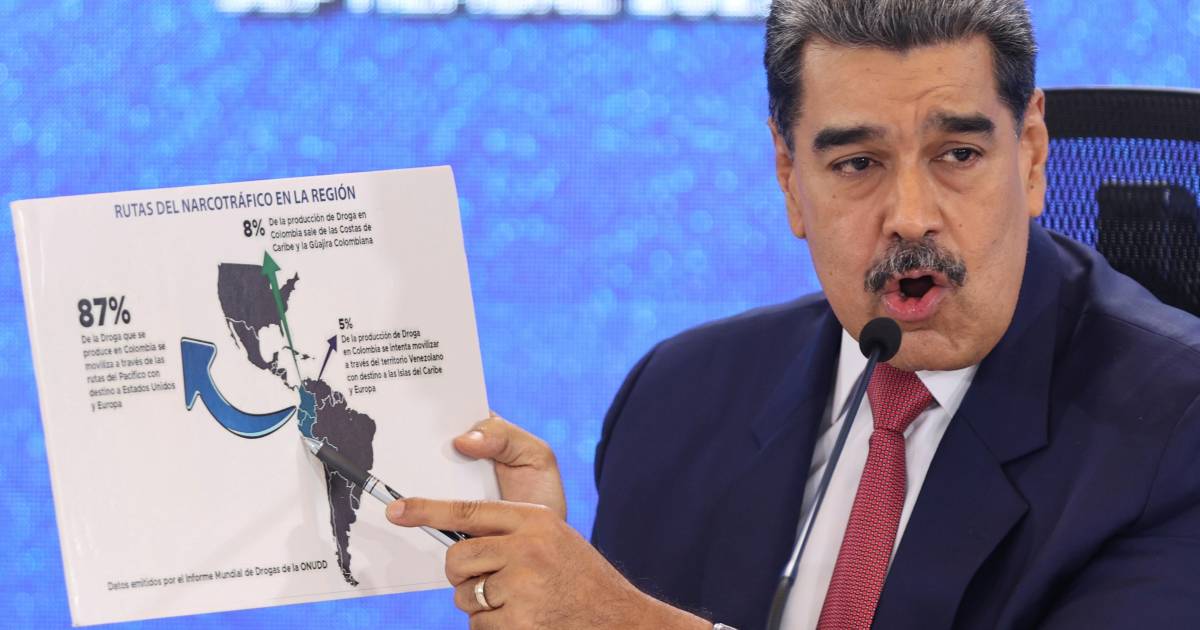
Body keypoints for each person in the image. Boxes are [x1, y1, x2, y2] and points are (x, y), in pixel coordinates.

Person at [385, 0, 1200, 628]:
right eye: (857, 163)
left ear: (1030, 154)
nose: (910, 216)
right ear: (787, 176)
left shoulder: (1175, 431)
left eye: (958, 155)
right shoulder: (675, 401)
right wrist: (536, 587)